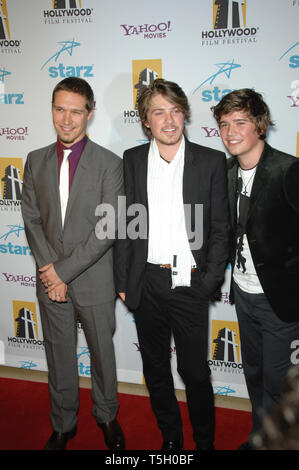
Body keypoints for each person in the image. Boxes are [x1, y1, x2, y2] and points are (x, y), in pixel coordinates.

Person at [115, 78, 230, 450]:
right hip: (146, 281)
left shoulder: (211, 161)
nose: (169, 120)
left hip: (190, 283)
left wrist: (209, 282)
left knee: (195, 373)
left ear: (185, 115)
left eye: (175, 111)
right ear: (146, 120)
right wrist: (123, 278)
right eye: (158, 112)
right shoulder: (131, 160)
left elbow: (219, 229)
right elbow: (125, 223)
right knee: (156, 370)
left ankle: (205, 442)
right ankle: (171, 439)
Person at [21, 77, 125, 450]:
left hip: (94, 279)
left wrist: (62, 271)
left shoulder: (111, 164)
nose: (67, 119)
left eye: (76, 111)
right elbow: (31, 218)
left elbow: (108, 227)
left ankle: (107, 416)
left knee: (102, 355)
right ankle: (63, 424)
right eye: (60, 109)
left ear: (90, 113)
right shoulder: (34, 160)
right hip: (50, 280)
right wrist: (51, 270)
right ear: (52, 109)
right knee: (58, 353)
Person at [212, 88, 299, 450]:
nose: (231, 131)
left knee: (279, 382)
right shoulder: (227, 171)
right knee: (254, 374)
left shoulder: (288, 170)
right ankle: (260, 435)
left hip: (280, 301)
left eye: (240, 122)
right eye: (224, 124)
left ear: (260, 125)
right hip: (244, 296)